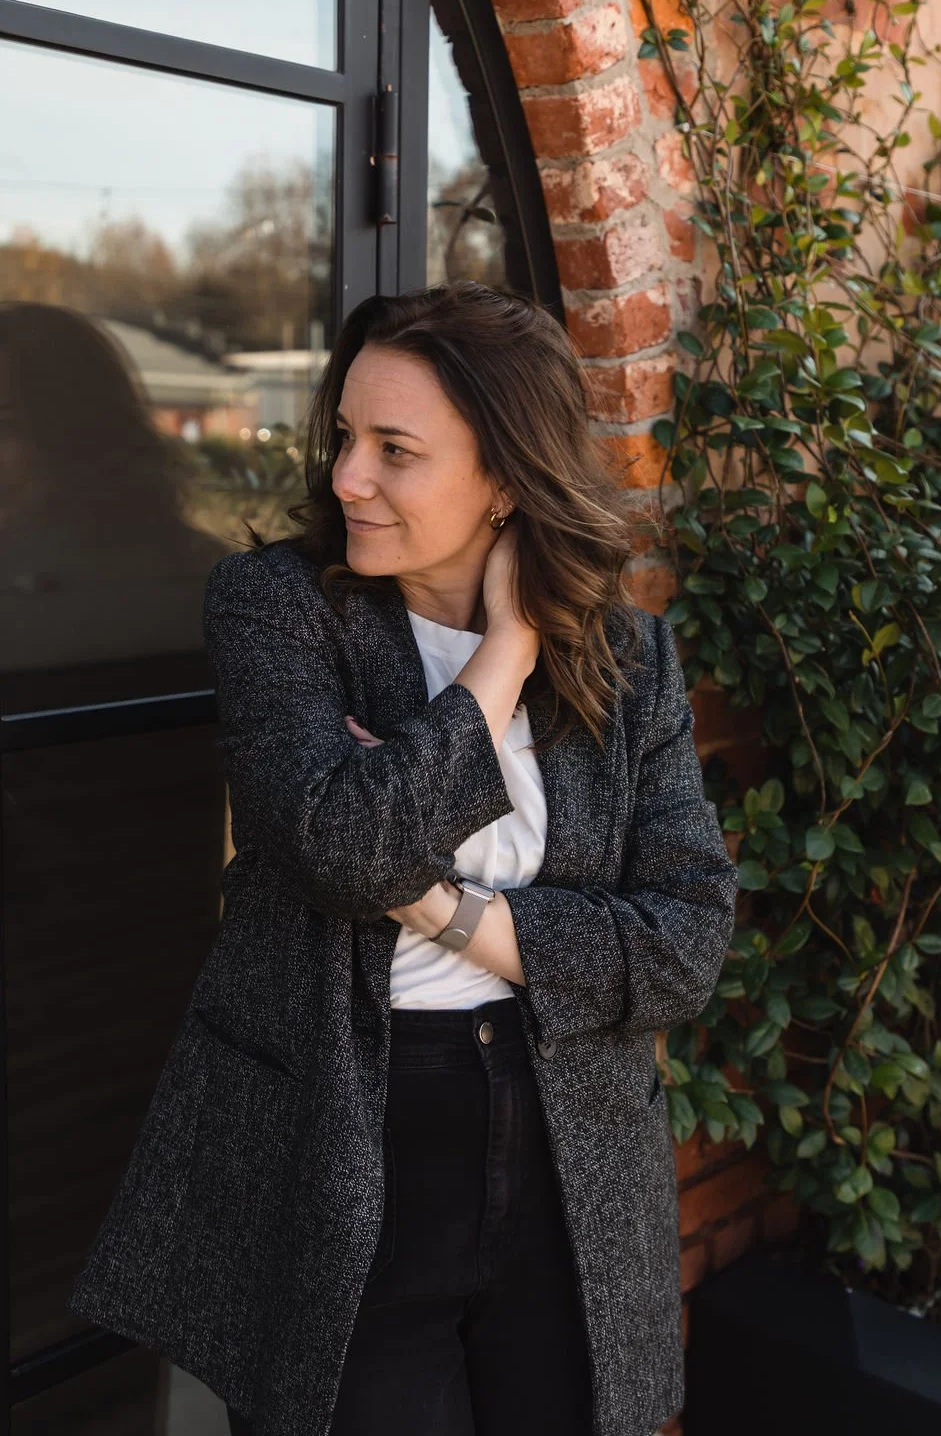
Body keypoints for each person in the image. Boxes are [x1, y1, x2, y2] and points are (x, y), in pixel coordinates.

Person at [67, 280, 739, 1436]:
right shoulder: (279, 609)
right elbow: (337, 844)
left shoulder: (630, 661)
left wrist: (441, 907)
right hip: (344, 1138)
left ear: (506, 477)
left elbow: (686, 941)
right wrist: (500, 663)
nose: (345, 477)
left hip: (567, 1141)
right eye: (344, 436)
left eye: (394, 448)